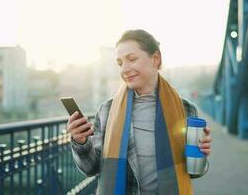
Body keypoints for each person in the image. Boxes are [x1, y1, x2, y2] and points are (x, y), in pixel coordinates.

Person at [68, 29, 212, 195]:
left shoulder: (186, 110)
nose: (125, 69)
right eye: (120, 63)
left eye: (132, 59)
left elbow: (195, 172)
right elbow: (91, 168)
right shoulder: (106, 110)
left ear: (155, 59)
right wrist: (80, 142)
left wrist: (201, 154)